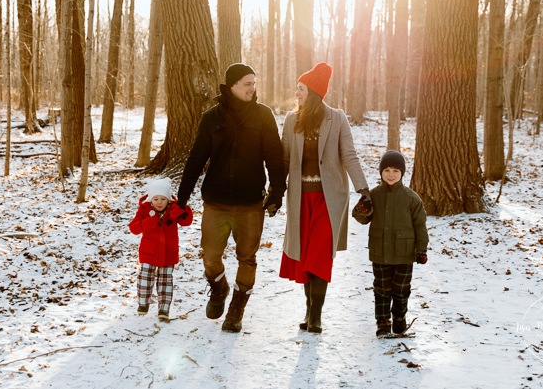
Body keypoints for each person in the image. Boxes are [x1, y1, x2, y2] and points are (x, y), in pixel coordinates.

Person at [176, 63, 287, 333]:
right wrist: (182, 198)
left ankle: (237, 308)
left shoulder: (263, 116)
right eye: (247, 83)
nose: (253, 88)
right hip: (216, 202)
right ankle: (219, 288)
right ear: (233, 86)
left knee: (247, 257)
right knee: (211, 257)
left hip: (251, 203)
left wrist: (276, 192)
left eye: (254, 82)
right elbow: (196, 159)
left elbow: (274, 157)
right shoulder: (211, 117)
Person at [279, 62, 370, 334]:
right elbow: (284, 160)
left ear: (314, 92)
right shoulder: (291, 120)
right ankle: (308, 309)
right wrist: (273, 190)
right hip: (300, 198)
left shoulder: (337, 118)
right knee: (305, 256)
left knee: (319, 255)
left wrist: (363, 189)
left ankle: (316, 315)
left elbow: (349, 156)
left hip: (329, 199)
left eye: (301, 89)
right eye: (297, 89)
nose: (296, 93)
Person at [352, 150, 429, 337]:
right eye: (386, 170)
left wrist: (421, 250)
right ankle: (383, 321)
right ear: (381, 172)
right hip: (380, 252)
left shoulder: (411, 198)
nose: (391, 174)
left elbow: (420, 225)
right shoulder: (374, 195)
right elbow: (360, 218)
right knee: (382, 289)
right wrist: (363, 209)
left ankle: (399, 317)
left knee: (402, 289)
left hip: (405, 253)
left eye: (395, 170)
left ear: (402, 173)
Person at [129, 177, 193, 322]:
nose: (159, 202)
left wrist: (184, 209)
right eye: (156, 199)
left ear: (169, 199)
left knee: (165, 280)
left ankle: (164, 308)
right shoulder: (144, 210)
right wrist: (147, 222)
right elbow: (134, 228)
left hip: (168, 252)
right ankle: (143, 303)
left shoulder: (173, 210)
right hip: (149, 252)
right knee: (145, 277)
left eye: (163, 199)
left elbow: (186, 222)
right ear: (151, 199)